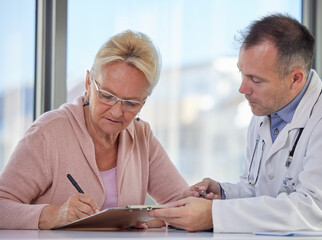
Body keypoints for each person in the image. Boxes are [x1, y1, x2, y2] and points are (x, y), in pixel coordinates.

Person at [149, 13, 322, 232]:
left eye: (256, 80)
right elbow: (259, 192)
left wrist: (214, 216)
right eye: (242, 74)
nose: (242, 89)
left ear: (295, 78)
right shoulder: (264, 112)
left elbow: (317, 210)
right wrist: (224, 194)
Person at [0, 30, 188, 229]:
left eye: (131, 103)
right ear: (88, 83)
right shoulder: (48, 133)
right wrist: (53, 215)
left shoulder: (142, 136)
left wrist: (149, 219)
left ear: (144, 101)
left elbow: (183, 204)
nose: (116, 112)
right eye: (107, 96)